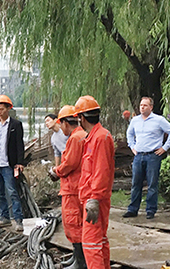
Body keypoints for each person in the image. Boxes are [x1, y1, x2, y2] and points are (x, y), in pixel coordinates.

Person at [123, 96, 170, 220]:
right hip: (139, 155)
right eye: (141, 105)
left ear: (151, 107)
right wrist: (132, 146)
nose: (142, 107)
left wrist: (165, 148)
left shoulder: (158, 120)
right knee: (136, 183)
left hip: (153, 156)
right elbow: (129, 134)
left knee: (152, 184)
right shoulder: (135, 120)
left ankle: (150, 210)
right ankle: (132, 209)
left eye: (145, 105)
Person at [75, 95, 114, 269]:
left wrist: (94, 198)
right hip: (92, 198)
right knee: (99, 241)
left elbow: (102, 171)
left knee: (91, 244)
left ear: (82, 118)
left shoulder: (101, 138)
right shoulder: (93, 137)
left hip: (95, 199)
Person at [50, 105, 87, 269]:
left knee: (73, 224)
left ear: (65, 122)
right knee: (75, 223)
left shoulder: (75, 138)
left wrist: (55, 171)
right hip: (76, 186)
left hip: (73, 188)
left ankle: (80, 262)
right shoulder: (81, 135)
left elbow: (69, 163)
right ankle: (76, 258)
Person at [0, 94, 25, 231]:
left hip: (8, 165)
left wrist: (20, 162)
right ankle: (5, 217)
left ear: (8, 109)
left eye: (2, 109)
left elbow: (20, 145)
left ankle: (18, 219)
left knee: (13, 192)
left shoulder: (15, 125)